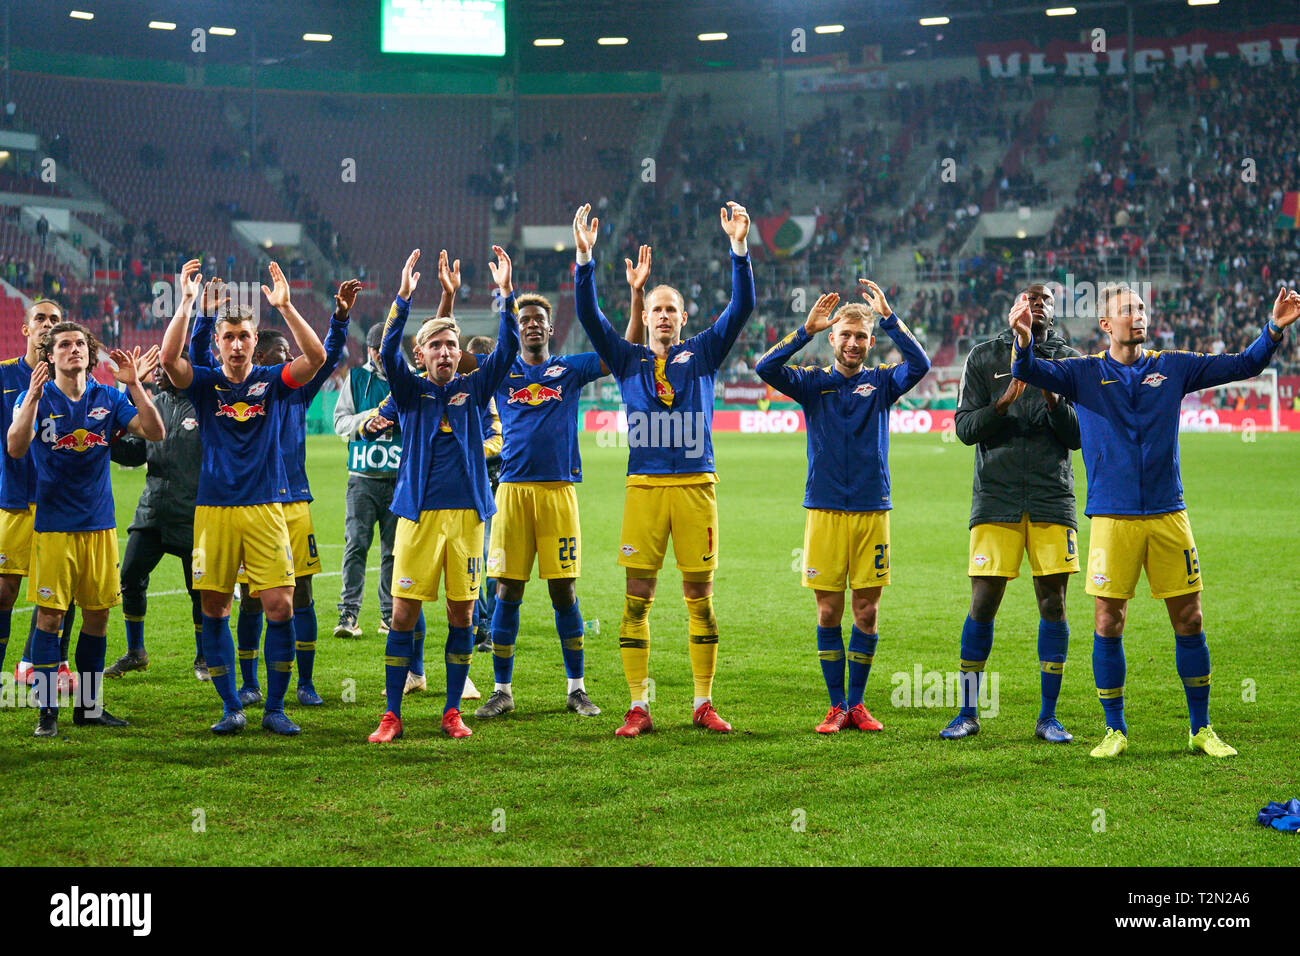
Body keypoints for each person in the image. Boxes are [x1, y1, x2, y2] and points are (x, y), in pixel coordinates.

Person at [1009, 282, 1300, 758]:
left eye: (1142, 307)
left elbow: (1244, 364)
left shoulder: (1173, 366)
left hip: (1169, 513)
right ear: (1106, 324)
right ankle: (1114, 729)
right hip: (1111, 517)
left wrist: (1273, 328)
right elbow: (1027, 370)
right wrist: (1022, 340)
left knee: (1190, 618)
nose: (1139, 315)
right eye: (1128, 309)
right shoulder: (1084, 373)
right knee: (1108, 620)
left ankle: (1201, 728)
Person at [571, 200, 755, 737]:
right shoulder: (627, 359)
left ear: (683, 317)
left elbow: (741, 307)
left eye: (673, 309)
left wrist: (738, 247)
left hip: (697, 486)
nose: (665, 316)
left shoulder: (704, 353)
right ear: (646, 316)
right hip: (645, 488)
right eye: (657, 309)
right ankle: (638, 706)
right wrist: (585, 260)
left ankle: (703, 702)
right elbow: (589, 317)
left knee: (700, 598)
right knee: (637, 599)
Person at [159, 258, 326, 736]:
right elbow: (170, 362)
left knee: (280, 606)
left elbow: (314, 359)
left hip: (265, 509)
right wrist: (187, 304)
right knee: (215, 609)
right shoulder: (207, 384)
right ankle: (232, 706)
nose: (235, 345)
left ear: (255, 342)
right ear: (218, 343)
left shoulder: (272, 384)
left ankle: (274, 707)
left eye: (244, 337)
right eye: (228, 337)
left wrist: (288, 308)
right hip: (213, 512)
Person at [756, 284, 930, 733]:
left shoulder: (884, 382)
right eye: (845, 335)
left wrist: (889, 317)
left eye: (861, 336)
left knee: (867, 612)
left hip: (873, 510)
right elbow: (765, 366)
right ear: (832, 339)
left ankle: (857, 704)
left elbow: (921, 364)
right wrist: (803, 331)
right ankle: (836, 705)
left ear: (871, 342)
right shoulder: (813, 383)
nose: (853, 342)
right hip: (825, 511)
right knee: (828, 612)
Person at [367, 246, 519, 743]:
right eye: (436, 346)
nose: (447, 351)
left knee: (462, 614)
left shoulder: (475, 388)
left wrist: (505, 294)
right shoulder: (409, 392)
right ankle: (391, 714)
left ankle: (452, 710)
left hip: (469, 519)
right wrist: (403, 299)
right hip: (418, 517)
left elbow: (510, 348)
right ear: (422, 355)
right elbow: (388, 351)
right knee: (404, 614)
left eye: (452, 345)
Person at [188, 278, 358, 709]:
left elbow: (325, 356)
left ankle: (304, 682)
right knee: (247, 599)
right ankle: (247, 682)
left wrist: (339, 319)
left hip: (291, 501)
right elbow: (192, 363)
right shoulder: (243, 384)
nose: (289, 359)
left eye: (291, 355)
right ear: (260, 355)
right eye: (282, 354)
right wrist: (201, 316)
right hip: (244, 502)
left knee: (296, 594)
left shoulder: (295, 393)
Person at [940, 283, 1081, 743]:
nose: (1036, 306)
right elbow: (964, 428)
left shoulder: (1069, 362)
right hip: (996, 497)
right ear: (1013, 309)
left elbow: (1078, 436)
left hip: (1051, 497)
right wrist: (1001, 404)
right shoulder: (983, 358)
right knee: (983, 603)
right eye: (1029, 299)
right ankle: (966, 712)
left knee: (1053, 604)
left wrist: (1053, 397)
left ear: (1053, 316)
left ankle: (1049, 718)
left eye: (1045, 302)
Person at [7, 324, 164, 737]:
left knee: (97, 617)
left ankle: (89, 707)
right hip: (54, 528)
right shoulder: (35, 396)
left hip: (99, 526)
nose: (73, 349)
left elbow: (155, 432)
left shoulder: (107, 396)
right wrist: (34, 399)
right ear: (50, 356)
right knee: (50, 617)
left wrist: (136, 388)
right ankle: (47, 712)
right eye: (63, 345)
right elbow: (15, 446)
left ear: (89, 354)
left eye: (79, 343)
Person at [106, 362, 207, 681]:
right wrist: (106, 440)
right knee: (131, 575)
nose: (158, 373)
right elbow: (134, 454)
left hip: (194, 514)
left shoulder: (205, 406)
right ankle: (136, 652)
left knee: (200, 590)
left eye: (167, 367)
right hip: (153, 511)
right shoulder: (155, 405)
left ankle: (204, 658)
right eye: (159, 368)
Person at [333, 320, 400, 637]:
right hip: (362, 478)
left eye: (387, 351)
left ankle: (389, 615)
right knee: (356, 545)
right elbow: (340, 422)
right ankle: (348, 614)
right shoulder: (356, 378)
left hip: (399, 479)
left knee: (393, 551)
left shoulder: (409, 379)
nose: (382, 356)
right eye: (378, 351)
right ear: (371, 351)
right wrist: (367, 419)